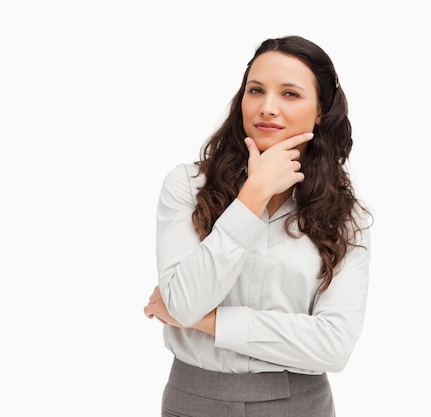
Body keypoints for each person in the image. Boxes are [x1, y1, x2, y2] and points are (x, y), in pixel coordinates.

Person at [143, 35, 372, 417]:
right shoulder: (187, 186)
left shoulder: (345, 214)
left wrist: (209, 321)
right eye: (256, 90)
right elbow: (182, 303)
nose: (268, 107)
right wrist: (253, 195)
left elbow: (334, 345)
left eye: (290, 94)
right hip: (192, 399)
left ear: (321, 110)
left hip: (298, 404)